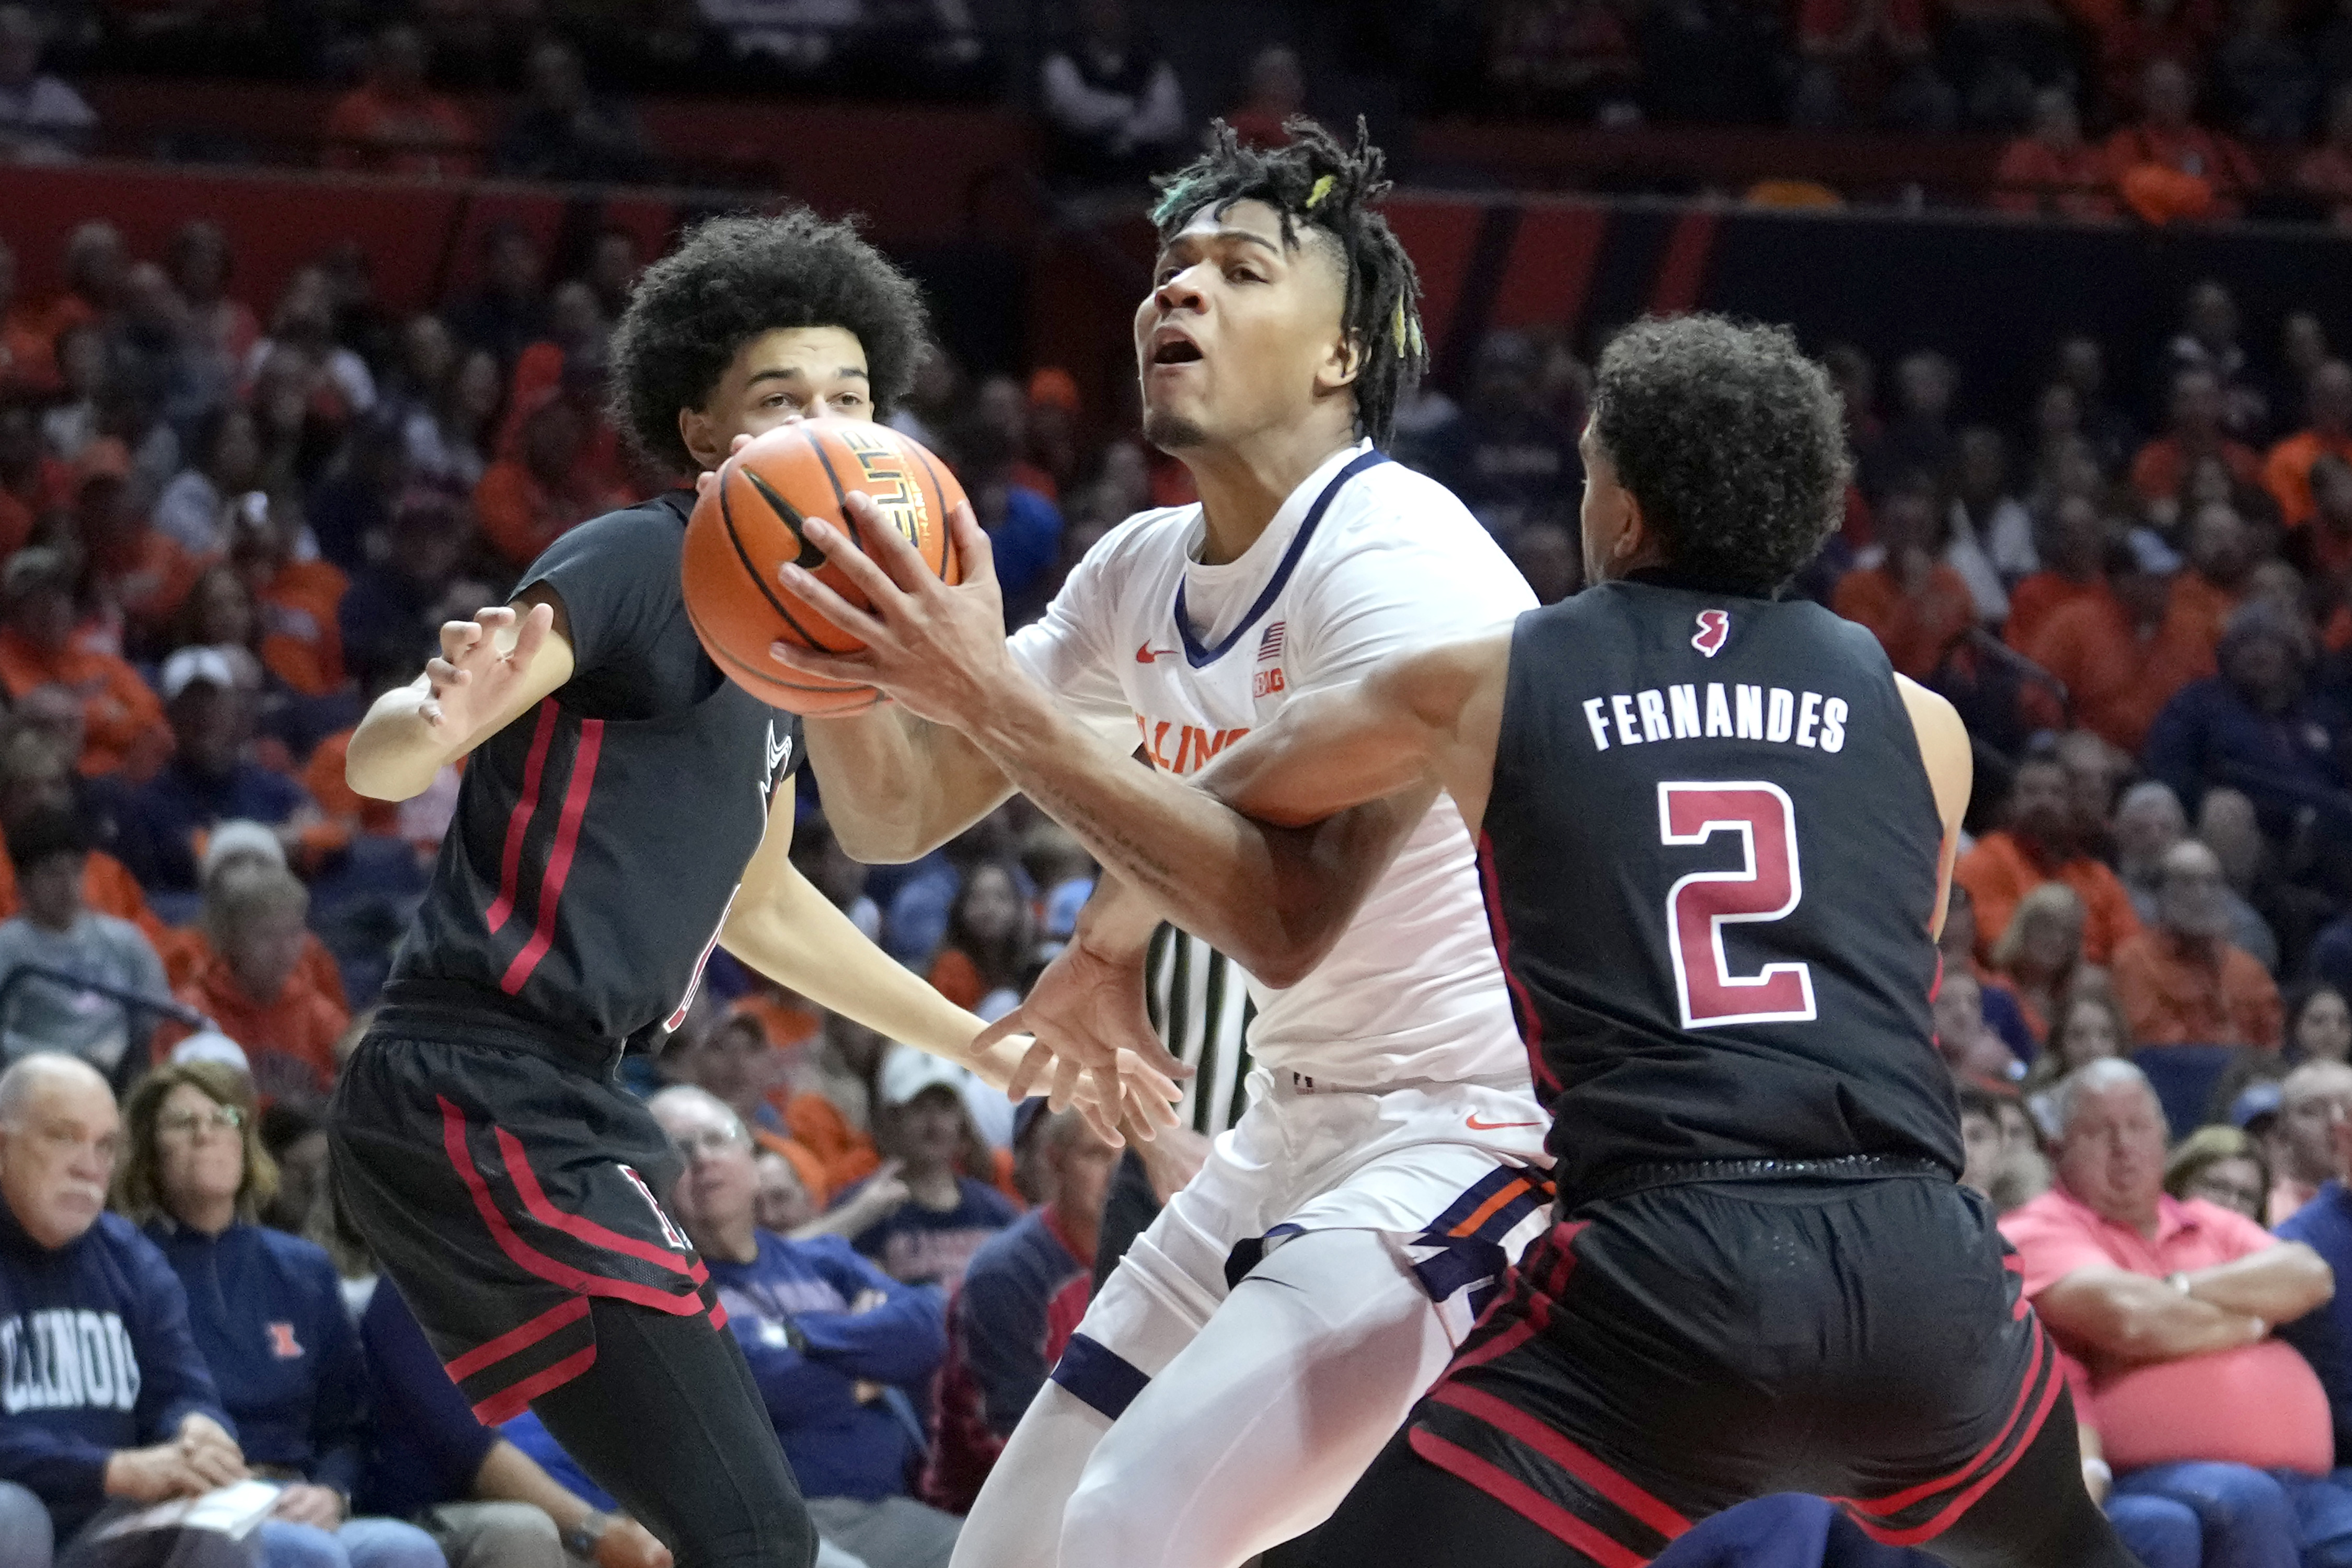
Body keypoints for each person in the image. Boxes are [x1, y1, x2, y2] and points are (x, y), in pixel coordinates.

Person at [793, 306, 2138, 1560]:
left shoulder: (1486, 678)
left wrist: (1102, 943)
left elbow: (1229, 802)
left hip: (1664, 1279)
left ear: (1616, 505)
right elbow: (1875, 969)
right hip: (1919, 1277)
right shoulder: (1927, 727)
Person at [762, 122, 1557, 1568]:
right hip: (1295, 1124)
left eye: (1236, 270)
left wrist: (992, 697)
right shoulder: (1142, 565)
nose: (1173, 293)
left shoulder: (1399, 557)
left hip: (1473, 1138)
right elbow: (891, 812)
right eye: (1167, 268)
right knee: (1007, 1549)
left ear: (1342, 351)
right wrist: (805, 624)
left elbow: (1284, 915)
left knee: (1134, 1527)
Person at [324, 208, 1139, 1568]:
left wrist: (991, 1043)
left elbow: (758, 908)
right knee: (758, 1540)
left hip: (566, 1103)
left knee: (742, 1539)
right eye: (780, 399)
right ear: (702, 433)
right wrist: (430, 715)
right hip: (479, 1087)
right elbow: (388, 750)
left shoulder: (791, 653)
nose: (824, 424)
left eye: (851, 398)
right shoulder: (640, 559)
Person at [2000, 1060, 2348, 1563]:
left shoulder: (2208, 1221)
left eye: (2138, 1126)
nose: (2124, 1146)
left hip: (2301, 1478)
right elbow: (2131, 1319)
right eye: (2100, 1132)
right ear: (2058, 1150)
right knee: (2245, 1501)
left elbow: (2309, 1277)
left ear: (2165, 1137)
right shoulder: (2039, 1227)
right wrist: (2252, 1319)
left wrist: (2176, 1290)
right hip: (2152, 1467)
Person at [118, 1061, 447, 1568]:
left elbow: (347, 1426)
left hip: (295, 1494)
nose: (206, 1133)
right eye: (182, 1122)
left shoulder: (303, 1268)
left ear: (246, 1140)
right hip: (194, 1503)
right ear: (149, 1154)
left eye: (224, 1117)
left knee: (409, 1551)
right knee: (311, 1555)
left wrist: (334, 1494)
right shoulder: (129, 1265)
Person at [649, 1085, 963, 1568]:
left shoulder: (823, 1259)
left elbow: (929, 1325)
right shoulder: (664, 1291)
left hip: (893, 1509)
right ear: (651, 1182)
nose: (703, 1159)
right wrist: (865, 1361)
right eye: (679, 1150)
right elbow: (748, 1389)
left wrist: (804, 1338)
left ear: (753, 1161)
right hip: (778, 1526)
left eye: (717, 1139)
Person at [0, 1053, 251, 1561]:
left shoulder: (130, 1257)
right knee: (11, 1512)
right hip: (25, 1515)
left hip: (105, 1524)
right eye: (64, 1136)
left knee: (219, 1520)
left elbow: (183, 1387)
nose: (88, 1167)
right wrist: (112, 1469)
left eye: (105, 1146)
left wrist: (197, 1428)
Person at [356, 1275, 674, 1568]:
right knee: (524, 1531)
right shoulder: (415, 1280)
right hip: (457, 1511)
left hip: (604, 1515)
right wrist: (596, 1533)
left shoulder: (576, 1269)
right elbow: (470, 1451)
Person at [927, 1105, 1117, 1512]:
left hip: (1101, 1490)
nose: (1116, 1174)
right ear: (1055, 1161)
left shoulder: (1147, 1256)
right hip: (989, 1512)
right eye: (1097, 1154)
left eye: (1128, 1158)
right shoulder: (1007, 1274)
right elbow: (1012, 1443)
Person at [0, 805, 168, 1074]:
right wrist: (58, 1061)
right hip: (40, 1080)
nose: (67, 884)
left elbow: (157, 1019)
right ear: (22, 883)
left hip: (120, 1072)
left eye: (75, 870)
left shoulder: (125, 940)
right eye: (52, 873)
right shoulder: (7, 947)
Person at [841, 1050, 1019, 1289]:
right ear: (892, 1119)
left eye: (945, 1107)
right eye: (919, 1108)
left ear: (961, 1118)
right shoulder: (859, 1212)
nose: (934, 1123)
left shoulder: (997, 1213)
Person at [1957, 752, 2142, 968]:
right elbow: (1999, 947)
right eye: (2031, 791)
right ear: (2010, 804)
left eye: (2056, 793)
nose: (2044, 802)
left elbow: (2132, 952)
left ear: (2072, 805)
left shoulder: (2097, 875)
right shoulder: (1985, 861)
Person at [2107, 839, 2283, 1050]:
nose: (2202, 895)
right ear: (2161, 895)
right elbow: (2154, 1045)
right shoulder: (2135, 961)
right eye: (2187, 883)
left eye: (2212, 883)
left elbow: (2271, 1048)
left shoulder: (2249, 970)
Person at [2272, 1060, 2352, 1223]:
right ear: (2283, 1130)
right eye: (2314, 1111)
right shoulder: (2266, 1209)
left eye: (2348, 1110)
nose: (2336, 1123)